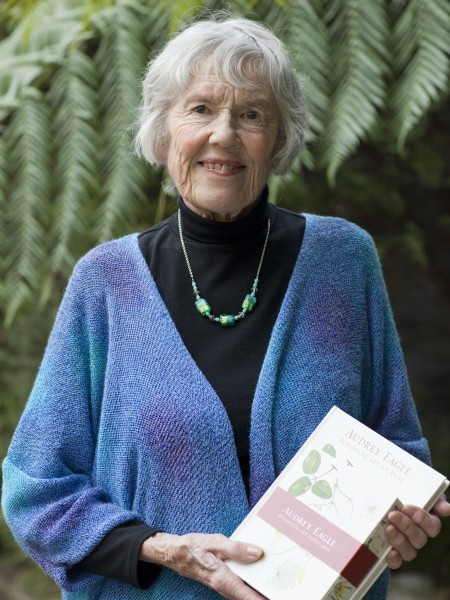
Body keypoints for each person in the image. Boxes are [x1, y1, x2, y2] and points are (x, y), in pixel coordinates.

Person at [2, 15, 449, 600]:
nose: (224, 135)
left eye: (252, 115)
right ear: (163, 131)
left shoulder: (343, 262)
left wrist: (404, 521)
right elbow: (36, 490)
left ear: (280, 137)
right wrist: (163, 547)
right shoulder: (107, 284)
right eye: (200, 110)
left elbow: (398, 454)